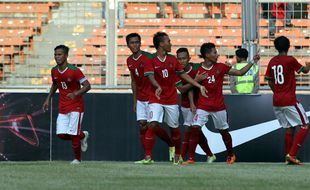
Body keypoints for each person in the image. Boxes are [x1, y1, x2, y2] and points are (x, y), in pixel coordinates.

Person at [189, 42, 260, 165]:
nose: (217, 54)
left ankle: (231, 154)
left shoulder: (221, 67)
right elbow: (190, 86)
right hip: (203, 106)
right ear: (207, 55)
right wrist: (196, 81)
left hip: (218, 106)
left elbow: (240, 73)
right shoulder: (197, 69)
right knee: (195, 128)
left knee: (223, 132)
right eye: (214, 52)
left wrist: (253, 61)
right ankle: (191, 158)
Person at [143, 32, 207, 164]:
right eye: (168, 41)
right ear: (161, 44)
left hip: (171, 99)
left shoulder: (173, 60)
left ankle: (177, 153)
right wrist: (157, 86)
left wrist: (198, 85)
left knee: (174, 128)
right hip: (156, 98)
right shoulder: (151, 60)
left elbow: (184, 76)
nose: (170, 43)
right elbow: (150, 76)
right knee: (152, 124)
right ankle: (148, 157)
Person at [125, 33, 175, 163]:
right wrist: (135, 101)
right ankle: (148, 156)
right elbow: (134, 81)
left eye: (137, 42)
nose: (135, 45)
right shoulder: (129, 60)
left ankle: (169, 145)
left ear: (140, 43)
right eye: (132, 43)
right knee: (142, 125)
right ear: (128, 45)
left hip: (152, 97)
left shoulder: (149, 58)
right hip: (141, 98)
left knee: (152, 125)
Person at [264, 36, 310, 165]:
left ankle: (288, 156)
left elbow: (269, 79)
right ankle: (292, 154)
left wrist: (277, 92)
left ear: (276, 47)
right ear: (289, 46)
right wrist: (308, 65)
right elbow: (304, 71)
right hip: (289, 99)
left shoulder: (272, 60)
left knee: (289, 127)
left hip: (277, 100)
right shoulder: (290, 60)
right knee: (305, 125)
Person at [42, 45, 91, 164]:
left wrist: (76, 93)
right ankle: (83, 136)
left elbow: (87, 86)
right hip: (63, 106)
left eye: (60, 54)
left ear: (66, 56)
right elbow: (55, 84)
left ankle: (77, 160)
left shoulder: (74, 71)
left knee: (73, 133)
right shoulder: (54, 70)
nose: (57, 57)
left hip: (76, 106)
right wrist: (48, 98)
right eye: (55, 55)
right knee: (61, 135)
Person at [176, 47, 216, 164]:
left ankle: (183, 157)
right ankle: (210, 154)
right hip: (185, 105)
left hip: (200, 104)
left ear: (189, 58)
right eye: (179, 59)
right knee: (196, 131)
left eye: (184, 58)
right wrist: (196, 80)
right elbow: (183, 90)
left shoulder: (197, 68)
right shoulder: (176, 72)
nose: (182, 61)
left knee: (190, 129)